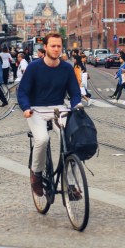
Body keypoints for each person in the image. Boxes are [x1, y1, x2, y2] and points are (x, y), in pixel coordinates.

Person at [18, 32, 81, 197]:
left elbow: (74, 93)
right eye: (53, 46)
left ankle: (71, 184)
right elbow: (23, 91)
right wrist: (25, 108)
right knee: (42, 139)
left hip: (58, 108)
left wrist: (77, 105)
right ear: (45, 47)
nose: (56, 49)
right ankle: (36, 174)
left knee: (71, 141)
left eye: (59, 46)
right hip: (36, 109)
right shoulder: (34, 67)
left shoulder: (67, 68)